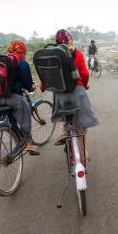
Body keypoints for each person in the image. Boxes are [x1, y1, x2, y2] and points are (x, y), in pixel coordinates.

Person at [41, 29, 99, 161]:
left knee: (61, 112)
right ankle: (83, 151)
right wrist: (84, 85)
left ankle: (61, 132)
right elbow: (84, 74)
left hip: (60, 95)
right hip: (77, 93)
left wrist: (44, 87)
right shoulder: (76, 53)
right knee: (83, 123)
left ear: (56, 40)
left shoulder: (52, 56)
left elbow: (47, 75)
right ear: (70, 39)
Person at [0, 39, 39, 157]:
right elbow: (27, 85)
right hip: (13, 98)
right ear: (23, 50)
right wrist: (31, 88)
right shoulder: (22, 63)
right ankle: (29, 143)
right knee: (25, 116)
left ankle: (13, 134)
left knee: (10, 118)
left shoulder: (2, 60)